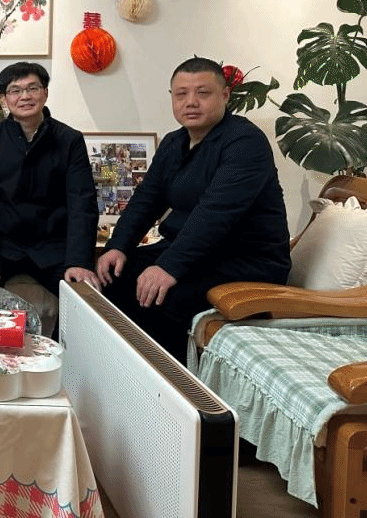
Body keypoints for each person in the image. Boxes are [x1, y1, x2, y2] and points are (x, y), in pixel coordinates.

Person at [96, 56, 291, 362]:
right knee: (113, 277)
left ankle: (171, 384)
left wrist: (169, 267)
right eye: (181, 94)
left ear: (225, 95)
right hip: (193, 253)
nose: (191, 102)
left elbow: (215, 213)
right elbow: (147, 199)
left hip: (244, 260)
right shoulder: (174, 142)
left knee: (163, 296)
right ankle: (112, 371)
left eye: (203, 93)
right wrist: (118, 245)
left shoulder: (245, 142)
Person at [0, 61, 100, 299]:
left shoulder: (69, 140)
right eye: (15, 90)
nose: (25, 96)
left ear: (45, 93)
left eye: (32, 88)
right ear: (4, 99)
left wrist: (78, 260)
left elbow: (82, 203)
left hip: (52, 246)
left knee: (85, 298)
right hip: (2, 246)